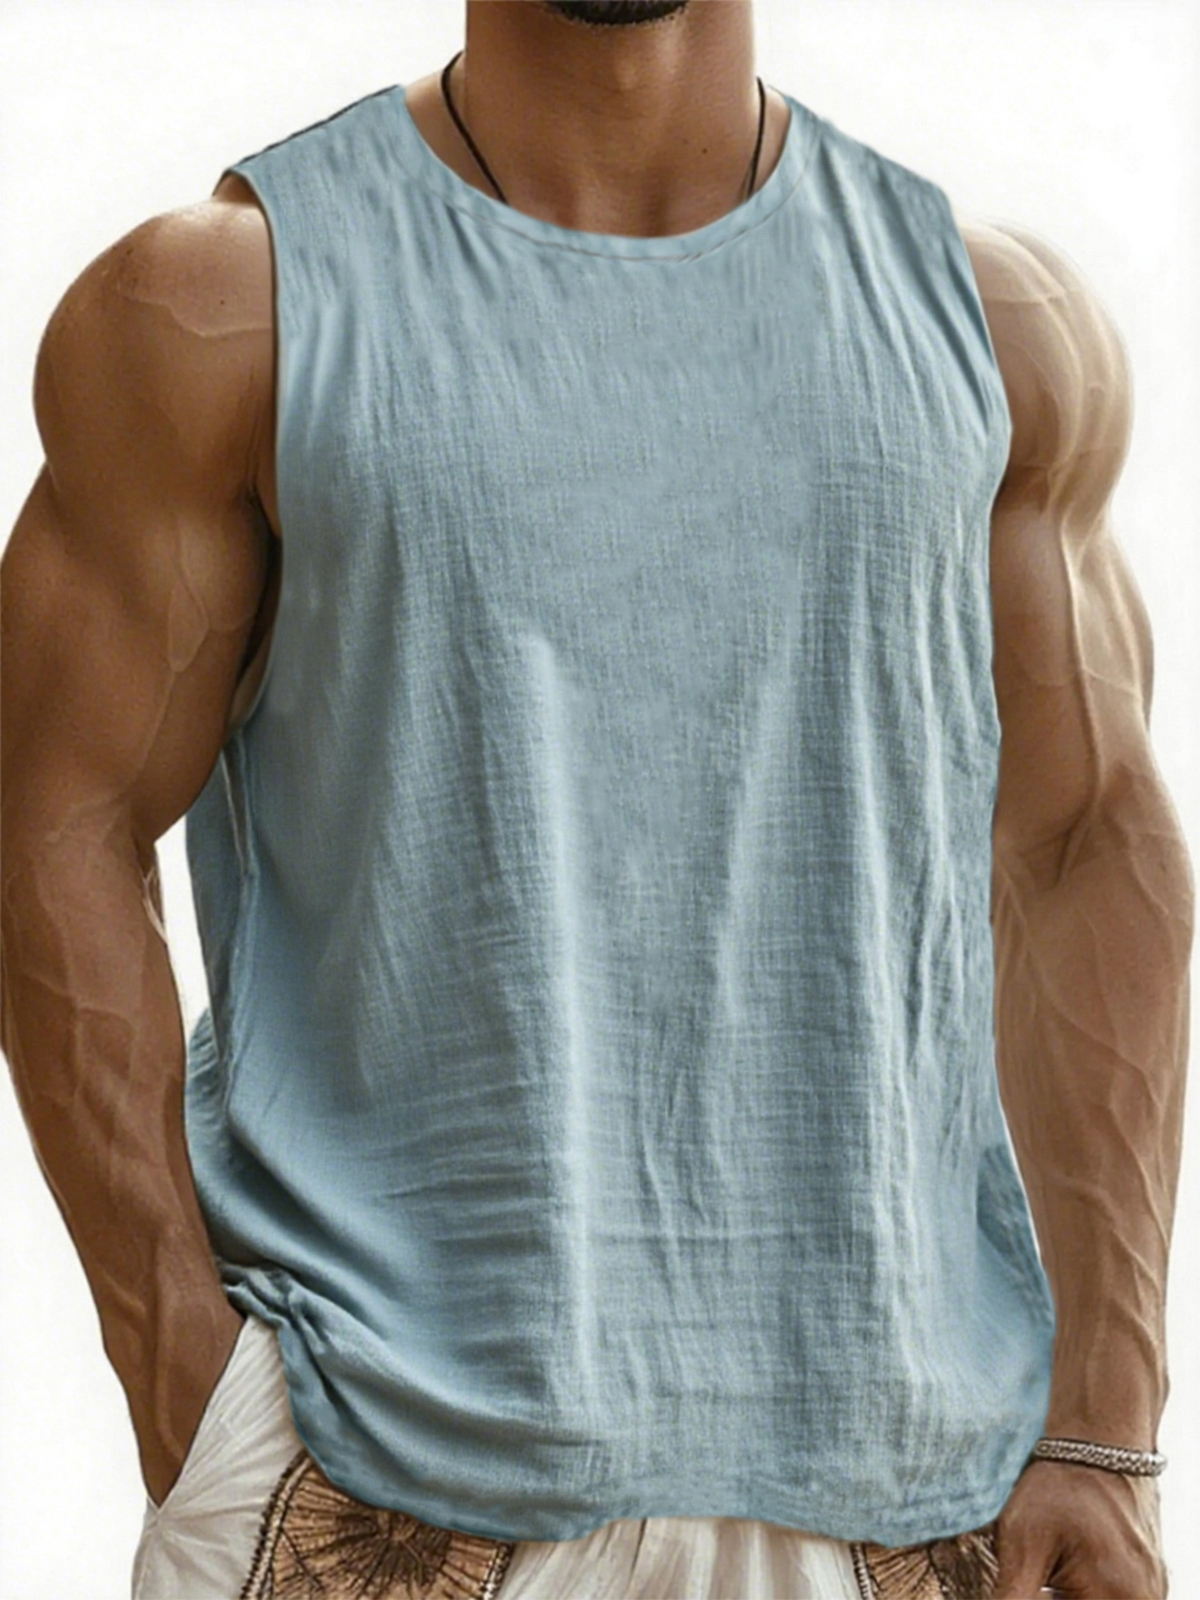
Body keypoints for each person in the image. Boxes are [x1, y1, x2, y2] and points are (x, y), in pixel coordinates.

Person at [0, 1, 1189, 1596]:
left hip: (915, 1504)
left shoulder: (985, 328)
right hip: (378, 1483)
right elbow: (51, 813)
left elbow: (1086, 837)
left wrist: (1106, 1428)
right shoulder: (232, 308)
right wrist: (188, 1387)